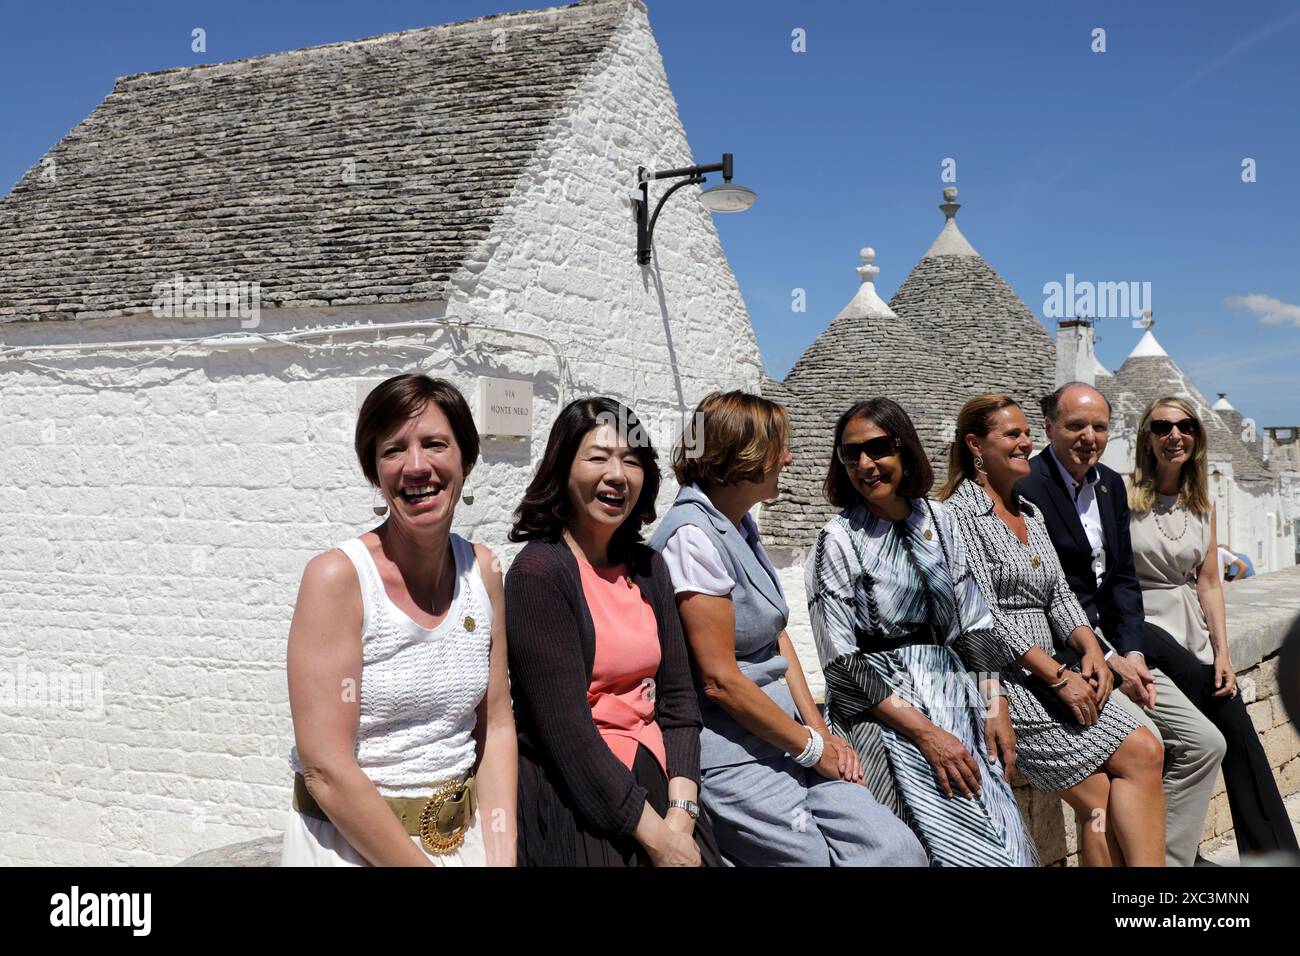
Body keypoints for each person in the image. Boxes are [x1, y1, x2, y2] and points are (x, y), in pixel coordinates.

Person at [649, 391, 926, 867]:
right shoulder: (691, 537)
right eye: (779, 446)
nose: (789, 458)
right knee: (812, 862)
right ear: (743, 457)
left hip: (790, 739)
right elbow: (720, 679)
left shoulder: (738, 526)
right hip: (734, 751)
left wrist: (820, 734)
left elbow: (775, 636)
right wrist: (811, 748)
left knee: (895, 849)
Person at [283, 374, 516, 866]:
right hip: (349, 849)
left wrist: (501, 855)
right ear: (375, 471)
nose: (416, 466)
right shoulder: (338, 578)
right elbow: (325, 768)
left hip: (463, 842)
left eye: (435, 444)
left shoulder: (485, 571)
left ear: (466, 461)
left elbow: (494, 725)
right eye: (392, 450)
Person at [805, 398, 1037, 866]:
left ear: (904, 448)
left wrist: (996, 708)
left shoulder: (941, 522)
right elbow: (841, 663)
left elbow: (973, 624)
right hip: (887, 712)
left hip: (957, 700)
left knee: (1004, 841)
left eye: (878, 448)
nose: (866, 465)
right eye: (852, 454)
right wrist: (927, 735)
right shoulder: (838, 540)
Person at [940, 393, 1166, 867]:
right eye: (1013, 435)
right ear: (975, 445)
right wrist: (1060, 679)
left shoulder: (1029, 512)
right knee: (1099, 803)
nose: (1026, 443)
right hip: (1006, 682)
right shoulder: (956, 518)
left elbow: (1060, 596)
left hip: (1054, 672)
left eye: (1027, 433)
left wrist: (1090, 649)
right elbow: (983, 618)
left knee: (1145, 751)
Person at [1015, 382, 1225, 867]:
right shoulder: (1026, 488)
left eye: (1099, 427)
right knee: (1136, 759)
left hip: (1121, 648)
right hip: (1064, 656)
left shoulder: (1109, 486)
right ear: (1049, 427)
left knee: (1205, 744)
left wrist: (1129, 653)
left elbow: (1124, 583)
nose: (1088, 436)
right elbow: (1042, 598)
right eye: (1075, 426)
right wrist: (1106, 658)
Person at [505, 397, 719, 867]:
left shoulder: (648, 568)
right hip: (587, 798)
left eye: (632, 459)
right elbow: (567, 736)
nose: (617, 474)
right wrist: (659, 841)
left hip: (664, 787)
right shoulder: (538, 575)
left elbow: (679, 700)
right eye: (598, 457)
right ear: (562, 469)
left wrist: (682, 815)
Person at [1130, 396, 1299, 858]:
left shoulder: (1200, 503)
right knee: (1192, 744)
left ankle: (1271, 853)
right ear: (1147, 438)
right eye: (1162, 427)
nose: (1174, 435)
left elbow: (1209, 584)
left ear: (1197, 437)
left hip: (1192, 633)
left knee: (1239, 739)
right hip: (1144, 629)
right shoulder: (1123, 497)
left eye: (1184, 426)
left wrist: (1223, 652)